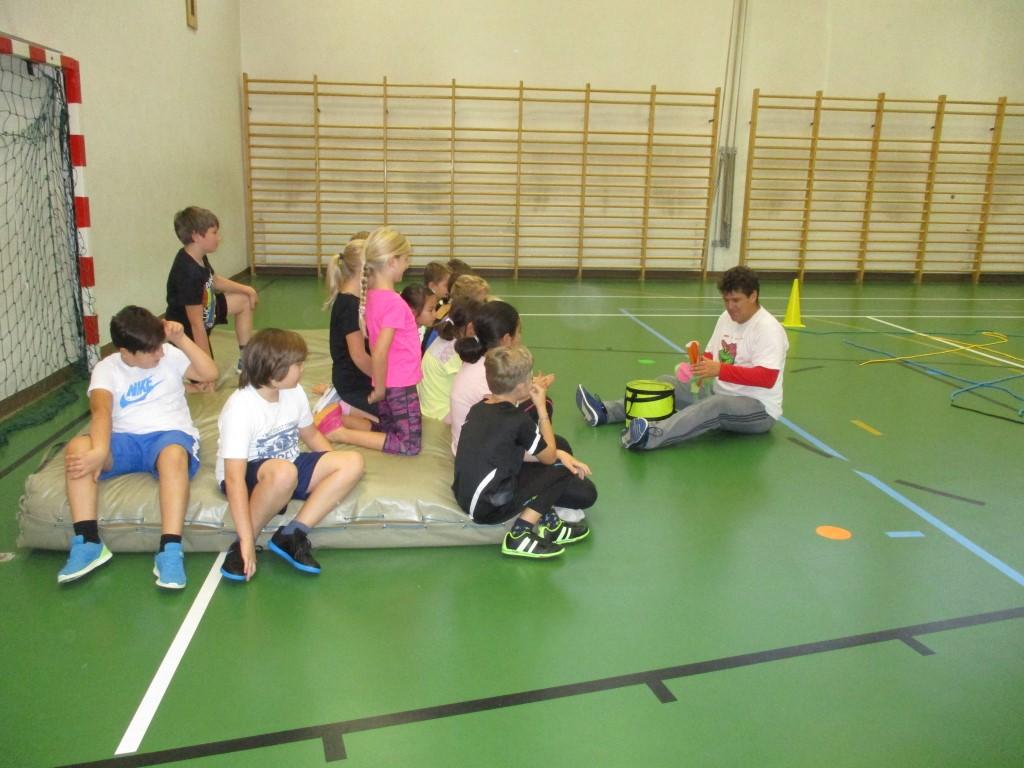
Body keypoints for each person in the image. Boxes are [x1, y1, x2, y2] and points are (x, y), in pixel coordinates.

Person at [58, 306, 218, 588]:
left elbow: (209, 373)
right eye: (151, 351)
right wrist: (99, 452)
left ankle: (170, 549)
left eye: (160, 346)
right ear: (126, 352)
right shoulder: (107, 369)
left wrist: (181, 339)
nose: (159, 354)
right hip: (125, 441)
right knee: (78, 448)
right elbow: (101, 412)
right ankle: (88, 541)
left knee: (173, 455)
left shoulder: (169, 354)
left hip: (169, 435)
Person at [576, 265, 789, 450]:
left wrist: (719, 370)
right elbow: (711, 355)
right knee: (666, 383)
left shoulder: (768, 329)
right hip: (720, 393)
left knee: (715, 405)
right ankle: (605, 412)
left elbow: (767, 378)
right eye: (726, 300)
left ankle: (650, 436)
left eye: (736, 300)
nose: (730, 306)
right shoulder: (726, 318)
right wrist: (695, 366)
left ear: (753, 296)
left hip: (758, 410)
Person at [216, 329, 364, 582]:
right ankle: (242, 544)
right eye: (298, 365)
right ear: (273, 374)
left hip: (288, 466)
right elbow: (233, 478)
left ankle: (292, 534)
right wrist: (247, 540)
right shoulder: (241, 408)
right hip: (252, 473)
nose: (303, 369)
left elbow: (311, 435)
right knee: (284, 473)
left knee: (352, 462)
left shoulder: (293, 392)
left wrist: (331, 472)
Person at [453, 345, 596, 560]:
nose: (532, 381)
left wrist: (559, 452)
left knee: (558, 452)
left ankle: (548, 520)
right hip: (489, 507)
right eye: (530, 378)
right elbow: (548, 457)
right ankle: (520, 534)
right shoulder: (518, 420)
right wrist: (541, 407)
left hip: (466, 495)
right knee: (561, 468)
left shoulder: (479, 407)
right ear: (521, 387)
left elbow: (504, 450)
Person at [322, 226, 422, 455]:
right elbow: (378, 352)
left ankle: (342, 420)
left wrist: (379, 383)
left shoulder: (372, 297)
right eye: (405, 259)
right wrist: (379, 388)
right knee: (410, 444)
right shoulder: (393, 303)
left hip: (387, 380)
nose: (408, 265)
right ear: (392, 262)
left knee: (389, 428)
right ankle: (340, 433)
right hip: (396, 383)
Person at [165, 206, 259, 385]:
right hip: (187, 331)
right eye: (214, 233)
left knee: (244, 300)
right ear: (196, 236)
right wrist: (207, 368)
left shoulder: (198, 255)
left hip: (207, 309)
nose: (219, 237)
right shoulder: (188, 272)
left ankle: (246, 359)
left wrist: (247, 289)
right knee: (208, 378)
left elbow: (213, 280)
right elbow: (196, 325)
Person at [325, 237, 376, 416]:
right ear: (365, 270)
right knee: (397, 420)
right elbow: (359, 356)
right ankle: (341, 407)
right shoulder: (349, 305)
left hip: (361, 377)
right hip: (353, 384)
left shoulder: (356, 300)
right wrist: (384, 382)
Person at [418, 296, 481, 420]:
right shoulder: (455, 351)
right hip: (440, 416)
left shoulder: (448, 340)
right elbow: (470, 387)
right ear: (470, 327)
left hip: (431, 410)